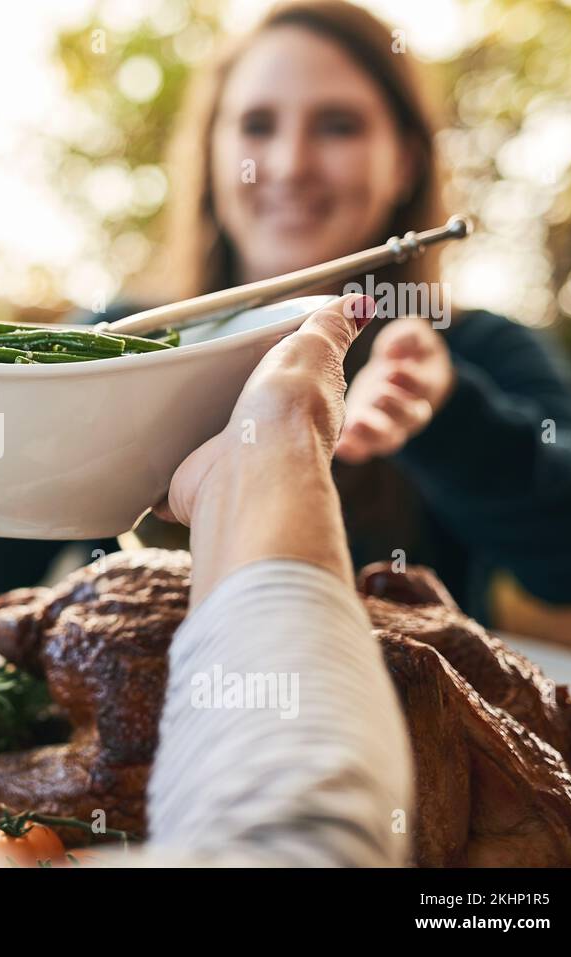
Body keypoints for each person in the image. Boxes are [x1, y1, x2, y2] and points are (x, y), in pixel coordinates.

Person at [0, 0, 571, 635]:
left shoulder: (479, 350)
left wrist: (448, 415)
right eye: (257, 126)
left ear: (405, 163)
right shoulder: (120, 337)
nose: (289, 163)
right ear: (214, 158)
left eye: (338, 126)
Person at [147, 292, 411, 865]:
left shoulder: (466, 334)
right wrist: (281, 444)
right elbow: (310, 848)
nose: (287, 193)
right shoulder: (137, 322)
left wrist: (453, 408)